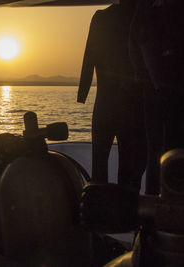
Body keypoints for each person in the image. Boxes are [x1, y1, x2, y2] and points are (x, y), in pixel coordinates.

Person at [129, 0, 184, 194]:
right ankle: (166, 208)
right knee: (168, 154)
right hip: (175, 97)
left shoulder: (149, 10)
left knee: (164, 154)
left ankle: (162, 208)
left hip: (178, 97)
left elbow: (137, 45)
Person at [77, 0, 146, 191]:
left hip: (105, 102)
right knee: (129, 166)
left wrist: (83, 92)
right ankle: (126, 214)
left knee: (100, 164)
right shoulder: (141, 16)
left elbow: (89, 56)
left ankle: (101, 213)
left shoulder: (101, 17)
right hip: (133, 103)